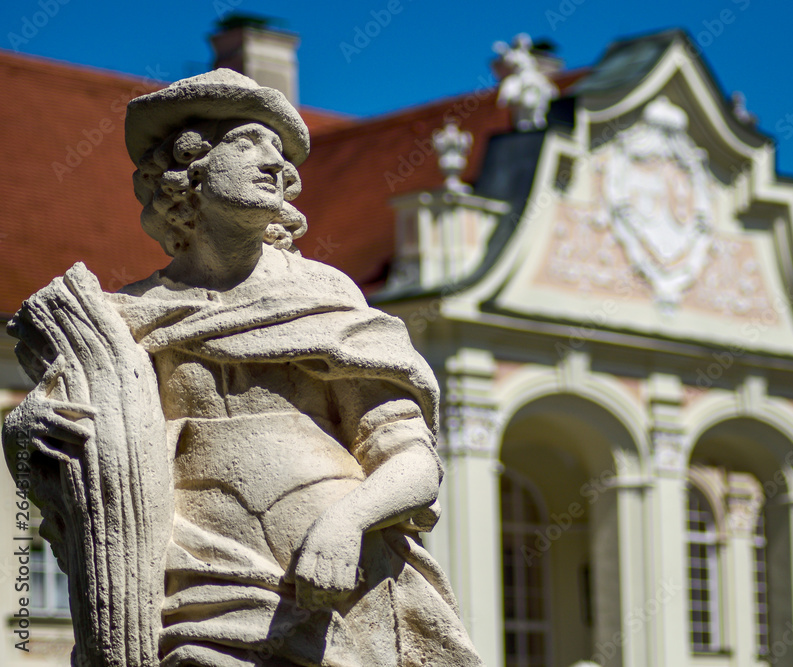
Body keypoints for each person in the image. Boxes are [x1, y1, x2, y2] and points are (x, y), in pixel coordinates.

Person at [12, 69, 482, 667]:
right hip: (193, 584)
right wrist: (28, 430)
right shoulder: (126, 321)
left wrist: (349, 522)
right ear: (190, 170)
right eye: (246, 142)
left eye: (281, 153)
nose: (277, 165)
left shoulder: (326, 302)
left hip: (338, 590)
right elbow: (73, 426)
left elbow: (413, 462)